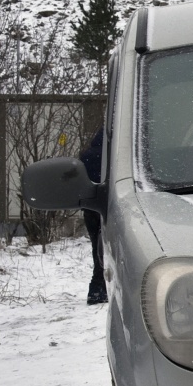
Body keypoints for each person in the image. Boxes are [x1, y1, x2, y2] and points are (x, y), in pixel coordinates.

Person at [79, 126, 107, 305]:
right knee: (108, 249)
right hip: (108, 205)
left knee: (96, 247)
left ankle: (96, 289)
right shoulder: (111, 156)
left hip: (90, 208)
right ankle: (102, 287)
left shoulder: (85, 156)